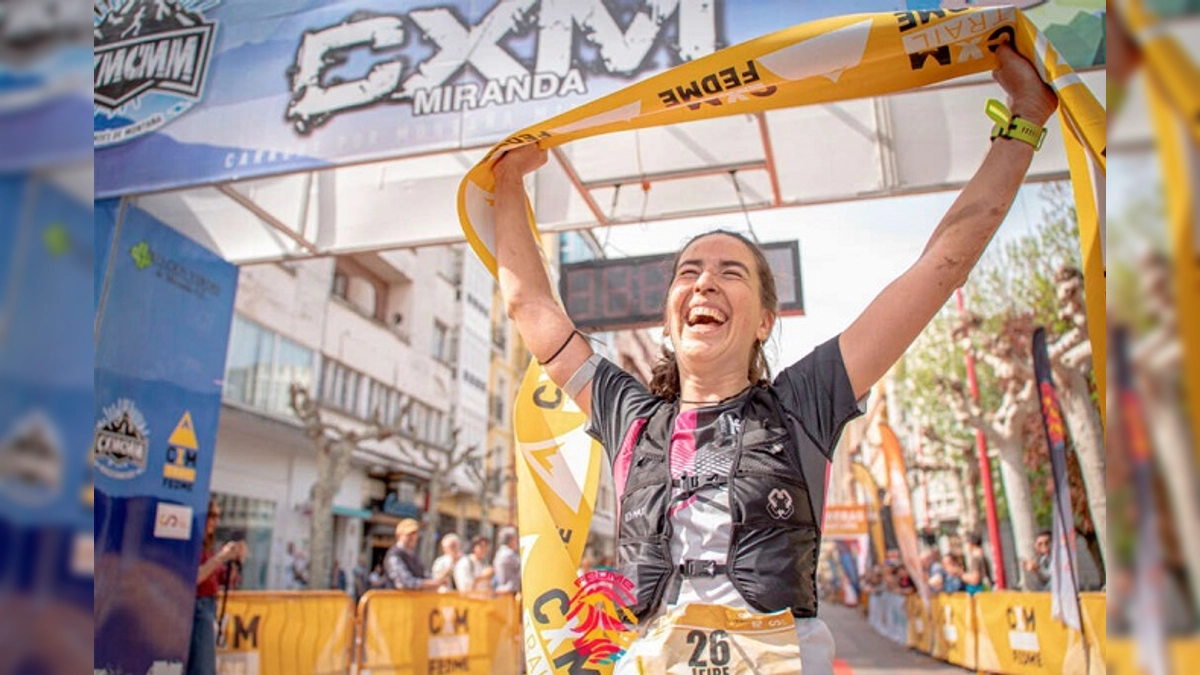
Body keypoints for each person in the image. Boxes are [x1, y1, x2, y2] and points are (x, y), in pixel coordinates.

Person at [490, 44, 1056, 675]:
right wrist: (510, 178)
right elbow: (529, 306)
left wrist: (1025, 120)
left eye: (729, 272)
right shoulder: (628, 415)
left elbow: (942, 265)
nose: (704, 283)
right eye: (688, 273)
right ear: (669, 321)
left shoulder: (804, 402)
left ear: (763, 320)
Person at [186, 500, 246, 675]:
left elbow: (220, 578)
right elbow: (194, 577)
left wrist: (234, 561)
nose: (215, 521)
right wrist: (222, 556)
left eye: (217, 516)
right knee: (202, 668)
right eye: (211, 515)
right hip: (198, 607)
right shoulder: (192, 544)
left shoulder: (206, 546)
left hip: (208, 607)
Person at [383, 519, 451, 590]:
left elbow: (423, 575)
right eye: (408, 534)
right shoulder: (394, 555)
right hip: (395, 600)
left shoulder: (413, 555)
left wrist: (437, 579)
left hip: (413, 599)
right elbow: (405, 583)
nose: (412, 537)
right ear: (399, 536)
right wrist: (434, 583)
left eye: (414, 534)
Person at [493, 527, 522, 593]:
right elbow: (523, 566)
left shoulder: (500, 552)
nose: (517, 542)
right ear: (510, 540)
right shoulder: (508, 554)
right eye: (515, 539)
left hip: (503, 589)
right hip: (509, 590)